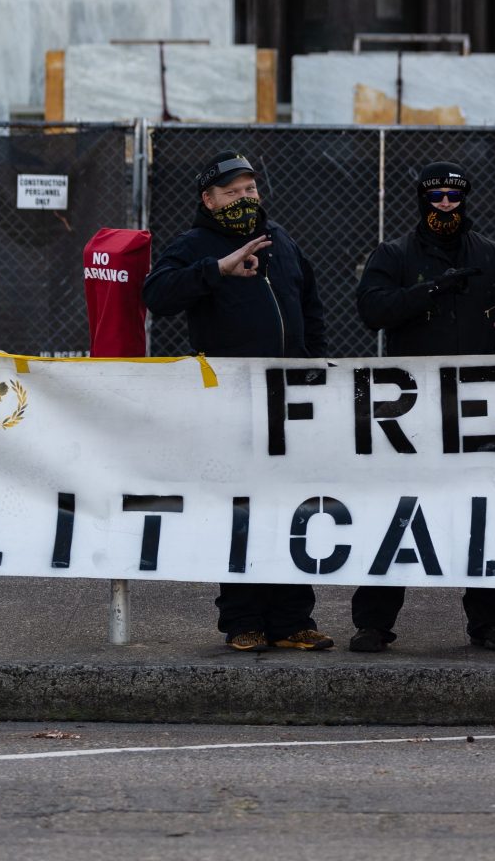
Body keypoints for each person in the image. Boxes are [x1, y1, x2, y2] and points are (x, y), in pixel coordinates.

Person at [143, 150, 335, 654]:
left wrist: (312, 361)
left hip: (289, 401)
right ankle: (242, 620)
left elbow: (309, 303)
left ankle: (294, 620)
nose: (245, 197)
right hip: (230, 403)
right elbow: (156, 295)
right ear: (208, 199)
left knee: (290, 507)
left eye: (250, 189)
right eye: (232, 191)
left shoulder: (283, 241)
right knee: (242, 511)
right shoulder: (193, 246)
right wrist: (216, 270)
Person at [352, 161, 495, 654]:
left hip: (478, 407)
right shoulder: (393, 254)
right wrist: (433, 288)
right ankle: (373, 622)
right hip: (409, 413)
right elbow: (372, 310)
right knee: (397, 511)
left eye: (455, 197)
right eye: (437, 198)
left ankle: (490, 622)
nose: (446, 206)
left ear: (466, 199)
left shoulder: (494, 256)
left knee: (484, 509)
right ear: (421, 199)